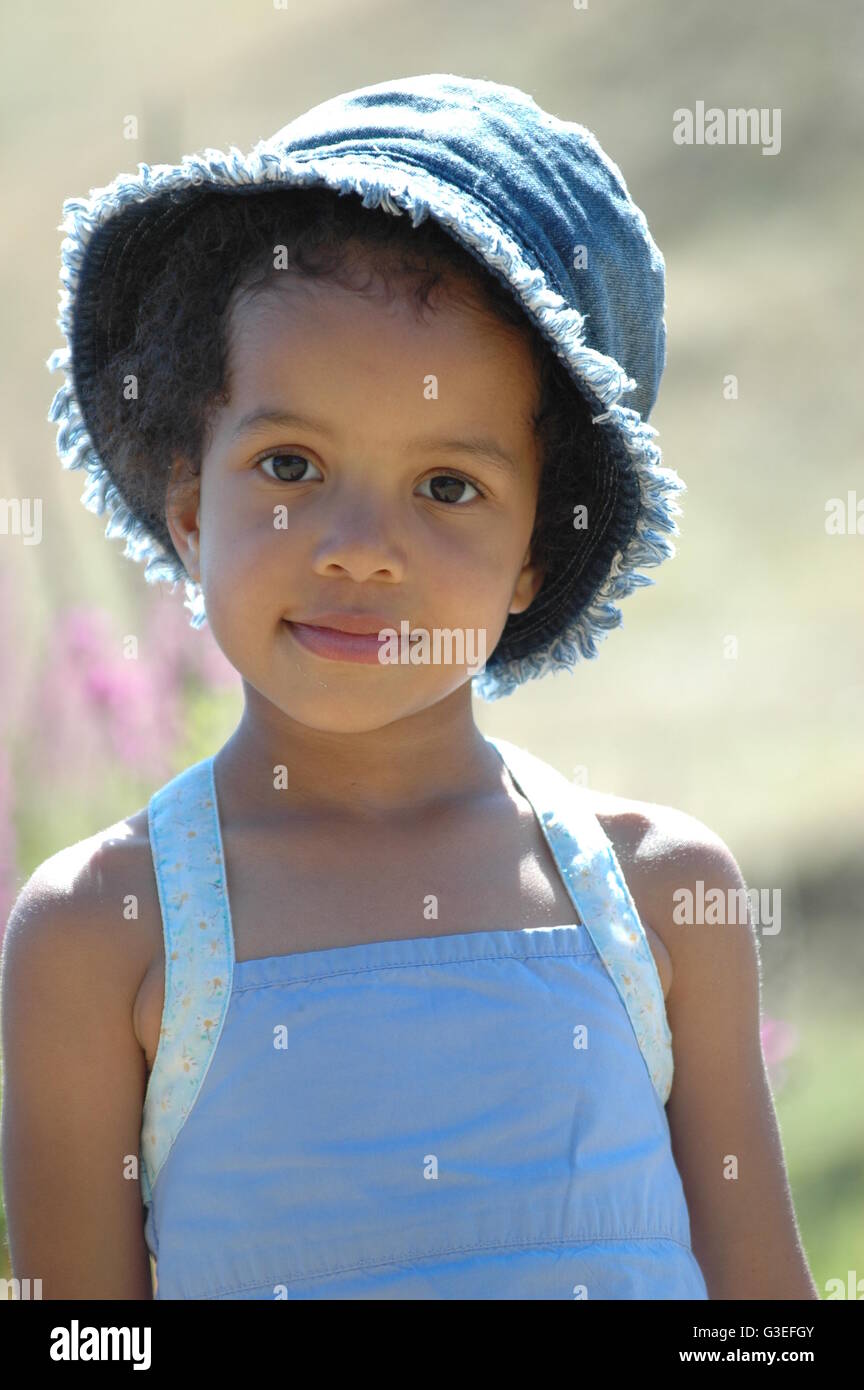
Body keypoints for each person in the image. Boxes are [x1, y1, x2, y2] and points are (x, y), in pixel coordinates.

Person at [1, 74, 817, 1300]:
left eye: (447, 486)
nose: (356, 546)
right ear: (188, 508)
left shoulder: (661, 900)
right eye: (291, 462)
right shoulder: (100, 929)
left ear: (539, 551)